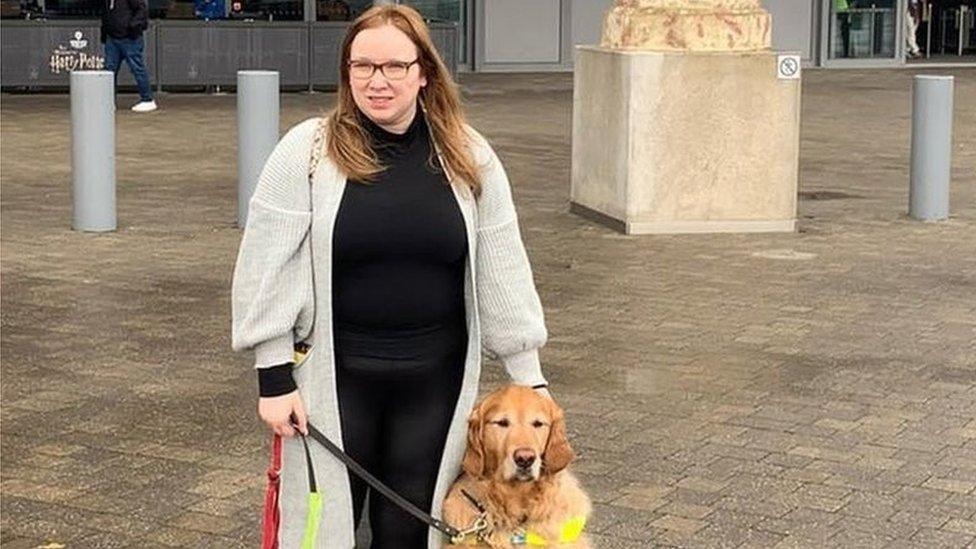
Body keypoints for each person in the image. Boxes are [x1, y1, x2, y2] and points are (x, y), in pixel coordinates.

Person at [231, 5, 552, 548]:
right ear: (347, 72)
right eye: (362, 67)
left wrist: (530, 377)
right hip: (334, 387)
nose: (377, 81)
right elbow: (266, 264)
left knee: (410, 530)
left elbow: (504, 266)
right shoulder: (307, 151)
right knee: (321, 528)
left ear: (423, 72)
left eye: (394, 67)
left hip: (434, 386)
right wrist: (273, 376)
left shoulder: (468, 156)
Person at [100, 0, 156, 112]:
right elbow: (106, 15)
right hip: (112, 37)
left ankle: (147, 99)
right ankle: (108, 101)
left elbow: (141, 9)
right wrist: (105, 33)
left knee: (137, 68)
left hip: (130, 38)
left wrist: (133, 26)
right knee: (109, 71)